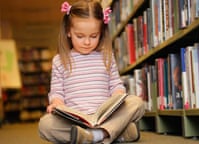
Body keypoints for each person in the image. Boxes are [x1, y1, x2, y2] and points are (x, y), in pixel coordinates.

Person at [38, 0, 145, 144]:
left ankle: (93, 136)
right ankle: (116, 132)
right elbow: (57, 92)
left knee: (136, 103)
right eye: (80, 36)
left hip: (105, 115)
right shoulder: (59, 60)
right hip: (76, 120)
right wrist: (56, 103)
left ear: (101, 33)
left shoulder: (107, 56)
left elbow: (115, 85)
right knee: (45, 125)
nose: (87, 42)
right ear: (69, 31)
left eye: (93, 36)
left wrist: (118, 96)